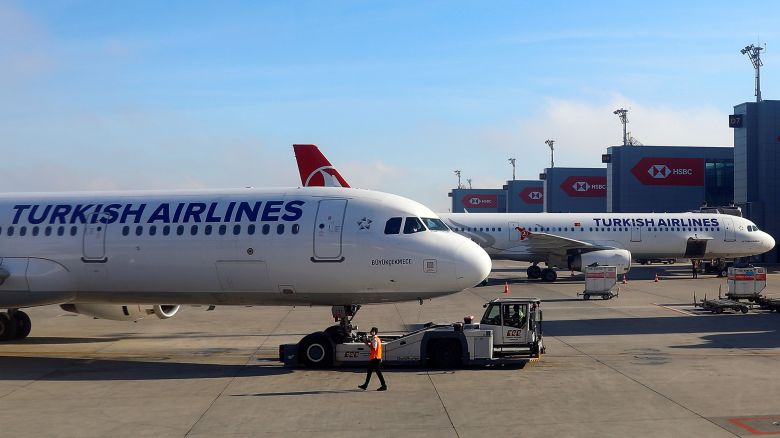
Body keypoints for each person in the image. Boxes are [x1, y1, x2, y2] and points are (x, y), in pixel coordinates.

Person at [358, 327, 387, 391]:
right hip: (376, 358)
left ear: (374, 332)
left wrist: (367, 344)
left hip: (375, 359)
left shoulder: (374, 339)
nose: (371, 332)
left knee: (377, 372)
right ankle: (365, 385)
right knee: (370, 372)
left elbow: (374, 348)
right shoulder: (378, 339)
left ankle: (384, 385)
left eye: (372, 331)